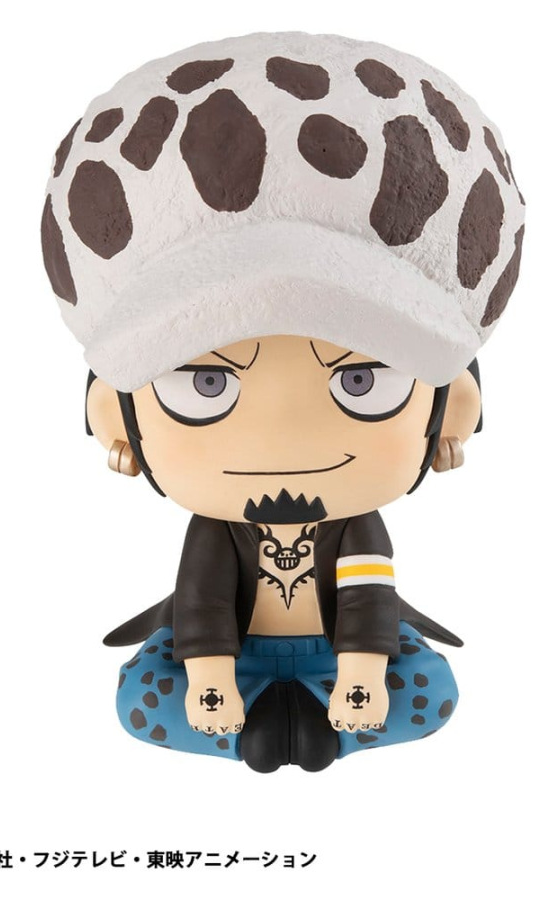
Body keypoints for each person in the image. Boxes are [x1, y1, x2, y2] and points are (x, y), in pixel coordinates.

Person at [41, 33, 525, 772]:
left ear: (451, 410)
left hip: (341, 660)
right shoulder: (216, 531)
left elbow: (367, 603)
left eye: (359, 381)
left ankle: (296, 727)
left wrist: (363, 675)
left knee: (429, 690)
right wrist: (209, 677)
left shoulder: (358, 527)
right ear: (116, 419)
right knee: (145, 696)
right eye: (207, 383)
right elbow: (203, 603)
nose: (280, 434)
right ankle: (274, 727)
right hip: (228, 656)